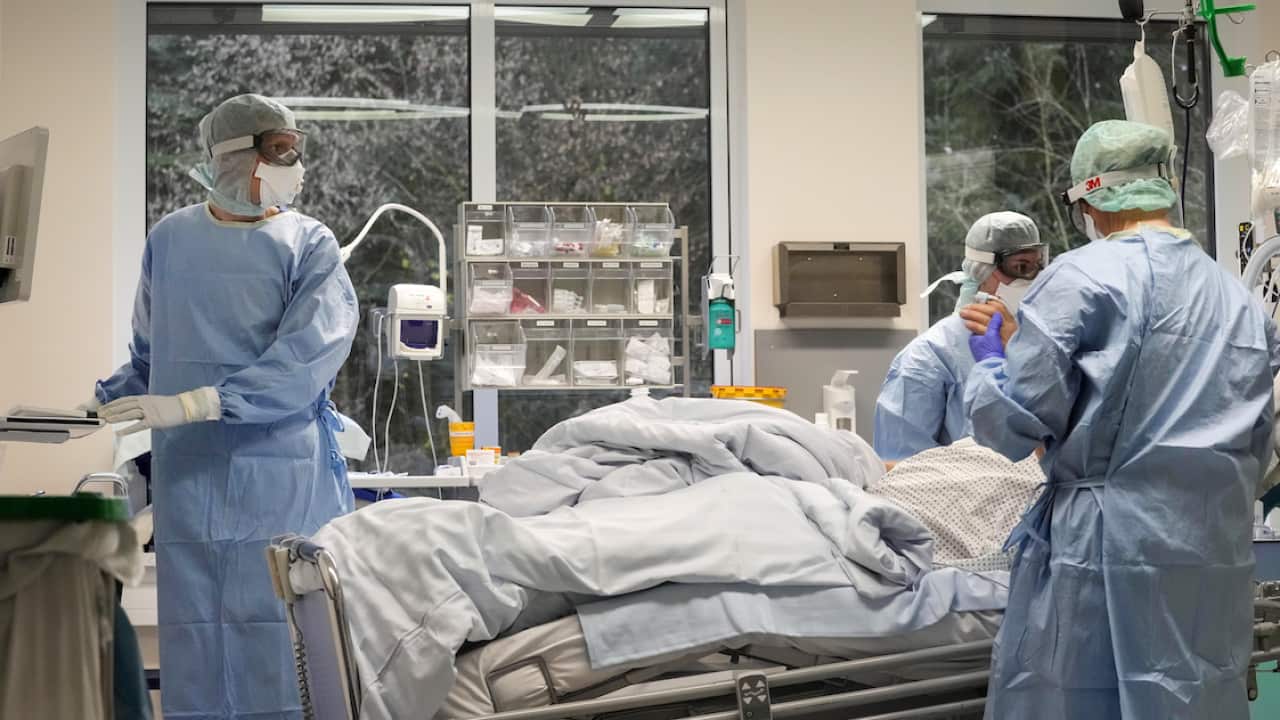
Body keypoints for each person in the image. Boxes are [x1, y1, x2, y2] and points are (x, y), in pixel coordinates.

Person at [963, 119, 1280, 719]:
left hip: (1107, 550)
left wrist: (992, 360)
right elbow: (1257, 443)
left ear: (1092, 196)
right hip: (1211, 551)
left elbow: (1013, 423)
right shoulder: (1237, 299)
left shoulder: (1084, 278)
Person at [91, 94, 359, 720]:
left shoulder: (308, 244)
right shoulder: (172, 239)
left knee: (284, 629)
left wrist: (204, 401)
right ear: (233, 157)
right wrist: (106, 400)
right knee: (198, 632)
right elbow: (150, 352)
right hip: (191, 476)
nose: (297, 167)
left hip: (282, 472)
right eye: (282, 151)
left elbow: (307, 356)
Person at [873, 211, 1045, 461]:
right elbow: (901, 468)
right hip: (963, 498)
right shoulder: (929, 356)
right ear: (982, 269)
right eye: (1021, 267)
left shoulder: (1043, 342)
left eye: (1038, 265)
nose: (1033, 278)